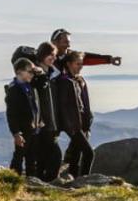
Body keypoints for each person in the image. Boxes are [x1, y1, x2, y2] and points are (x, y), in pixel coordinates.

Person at [54, 50, 95, 178]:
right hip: (73, 125)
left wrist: (86, 125)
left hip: (80, 123)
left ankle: (73, 178)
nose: (81, 66)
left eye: (81, 64)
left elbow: (84, 103)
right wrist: (72, 127)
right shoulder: (64, 82)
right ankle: (83, 180)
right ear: (69, 64)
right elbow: (64, 107)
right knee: (89, 153)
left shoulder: (78, 80)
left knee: (76, 153)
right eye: (78, 64)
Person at [29, 41, 63, 181]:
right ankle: (47, 184)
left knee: (44, 156)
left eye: (54, 56)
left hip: (50, 122)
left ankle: (42, 185)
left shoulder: (52, 74)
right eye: (51, 55)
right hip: (40, 123)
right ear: (43, 55)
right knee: (55, 155)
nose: (53, 58)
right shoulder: (35, 75)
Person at [4, 58, 43, 176]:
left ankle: (31, 182)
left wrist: (39, 71)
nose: (32, 74)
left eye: (33, 71)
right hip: (23, 129)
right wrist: (16, 133)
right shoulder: (14, 90)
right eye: (29, 71)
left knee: (31, 158)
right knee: (19, 156)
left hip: (33, 128)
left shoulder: (29, 85)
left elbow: (42, 82)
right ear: (19, 72)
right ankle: (12, 180)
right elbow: (11, 114)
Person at [50, 28, 121, 71]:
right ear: (55, 42)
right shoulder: (43, 59)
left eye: (69, 42)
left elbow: (88, 58)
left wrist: (109, 59)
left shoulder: (71, 56)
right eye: (65, 42)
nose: (69, 45)